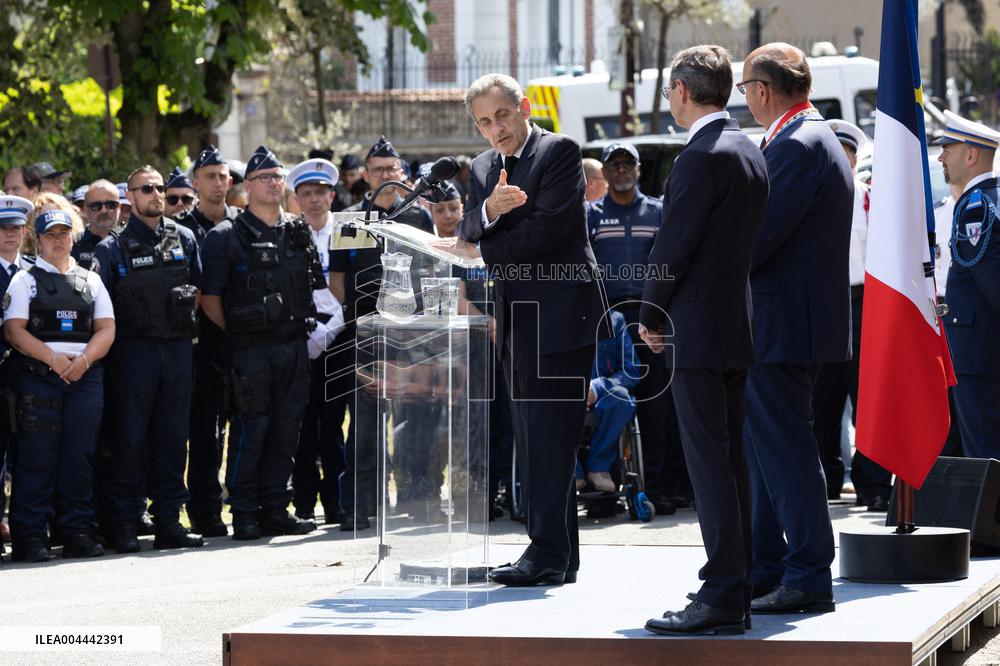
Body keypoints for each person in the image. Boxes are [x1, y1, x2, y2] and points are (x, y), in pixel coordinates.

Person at [450, 73, 609, 586]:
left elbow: (548, 229)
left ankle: (544, 552)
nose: (495, 130)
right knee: (533, 437)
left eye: (501, 115)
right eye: (483, 122)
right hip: (515, 318)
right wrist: (489, 211)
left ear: (522, 106)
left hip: (562, 314)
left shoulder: (558, 151)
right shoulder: (480, 167)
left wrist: (484, 243)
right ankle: (558, 556)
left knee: (552, 438)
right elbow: (465, 228)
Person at [639, 45, 768, 636]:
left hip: (696, 327)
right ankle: (734, 584)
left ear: (685, 92)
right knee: (730, 463)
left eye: (670, 91)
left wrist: (649, 313)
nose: (670, 101)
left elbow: (673, 245)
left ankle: (722, 591)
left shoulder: (700, 155)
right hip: (733, 326)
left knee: (709, 467)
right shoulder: (747, 147)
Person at [739, 42, 851, 615]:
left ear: (762, 90)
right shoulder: (805, 137)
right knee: (766, 450)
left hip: (784, 323)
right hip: (784, 321)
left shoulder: (798, 145)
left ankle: (807, 573)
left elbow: (757, 239)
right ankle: (768, 569)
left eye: (744, 90)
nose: (744, 101)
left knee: (785, 451)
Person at [200, 145, 325, 540]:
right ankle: (245, 511)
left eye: (277, 176)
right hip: (250, 350)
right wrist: (241, 333)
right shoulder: (225, 236)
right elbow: (210, 299)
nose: (273, 183)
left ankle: (276, 507)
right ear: (247, 186)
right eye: (264, 178)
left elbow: (317, 289)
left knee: (287, 431)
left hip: (293, 346)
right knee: (251, 431)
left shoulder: (297, 231)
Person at [93, 165, 205, 554]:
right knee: (130, 440)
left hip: (176, 351)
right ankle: (124, 522)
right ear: (131, 196)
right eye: (146, 189)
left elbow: (201, 293)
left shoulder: (186, 238)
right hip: (132, 355)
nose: (156, 195)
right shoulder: (111, 248)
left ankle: (169, 520)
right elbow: (101, 310)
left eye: (160, 188)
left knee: (173, 439)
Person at [333, 135, 433, 531]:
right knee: (366, 425)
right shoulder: (349, 219)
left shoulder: (419, 217)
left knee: (416, 420)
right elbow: (337, 282)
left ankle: (414, 498)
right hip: (368, 337)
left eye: (392, 169)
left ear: (404, 174)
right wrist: (365, 315)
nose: (386, 176)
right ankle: (361, 505)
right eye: (378, 170)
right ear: (366, 176)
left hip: (413, 337)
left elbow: (428, 272)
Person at [3, 209, 115, 561]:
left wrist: (82, 362)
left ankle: (77, 531)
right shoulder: (24, 280)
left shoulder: (91, 280)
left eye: (64, 233)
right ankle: (31, 536)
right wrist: (52, 359)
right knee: (38, 458)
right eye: (50, 234)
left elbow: (107, 328)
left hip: (84, 377)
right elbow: (14, 329)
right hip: (39, 379)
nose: (58, 240)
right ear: (38, 239)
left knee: (79, 457)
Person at [587, 140, 689, 515]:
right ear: (606, 172)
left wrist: (661, 316)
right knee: (610, 404)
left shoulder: (660, 212)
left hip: (655, 320)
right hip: (608, 325)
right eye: (613, 165)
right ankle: (606, 493)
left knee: (659, 410)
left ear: (639, 170)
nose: (621, 171)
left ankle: (662, 489)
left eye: (627, 164)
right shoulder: (592, 215)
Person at [811, 120, 892, 511]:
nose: (842, 160)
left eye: (849, 154)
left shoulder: (869, 199)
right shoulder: (809, 195)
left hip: (863, 304)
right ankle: (824, 475)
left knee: (867, 398)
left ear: (856, 159)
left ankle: (872, 483)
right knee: (820, 398)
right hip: (822, 301)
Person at [175, 145, 240, 537]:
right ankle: (204, 509)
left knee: (243, 426)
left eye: (222, 176)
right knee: (203, 432)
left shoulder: (241, 224)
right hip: (199, 346)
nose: (217, 183)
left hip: (240, 342)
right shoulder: (185, 230)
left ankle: (243, 499)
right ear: (195, 183)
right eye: (209, 177)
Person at [935, 110, 1000, 459]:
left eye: (949, 148)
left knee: (985, 453)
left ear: (971, 155)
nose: (941, 157)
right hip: (985, 349)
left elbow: (992, 282)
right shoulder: (991, 198)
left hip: (980, 353)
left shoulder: (975, 208)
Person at [287, 157, 347, 524]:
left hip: (337, 339)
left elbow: (353, 286)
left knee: (333, 426)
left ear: (332, 195)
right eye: (306, 194)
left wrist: (333, 327)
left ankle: (337, 502)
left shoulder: (347, 232)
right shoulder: (288, 233)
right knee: (302, 426)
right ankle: (305, 501)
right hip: (299, 337)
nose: (314, 200)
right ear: (296, 199)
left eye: (320, 193)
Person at [0, 195, 34, 559]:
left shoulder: (32, 272)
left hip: (27, 376)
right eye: (4, 228)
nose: (11, 235)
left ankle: (27, 530)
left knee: (29, 456)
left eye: (16, 228)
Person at [578, 309, 638, 494]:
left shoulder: (616, 320)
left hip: (604, 397)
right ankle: (572, 472)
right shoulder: (555, 316)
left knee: (621, 397)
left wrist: (596, 387)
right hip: (564, 394)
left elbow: (632, 370)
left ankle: (599, 467)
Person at [74, 180, 120, 270]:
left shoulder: (134, 241)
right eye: (96, 206)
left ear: (119, 208)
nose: (104, 211)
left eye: (111, 205)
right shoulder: (73, 245)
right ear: (85, 210)